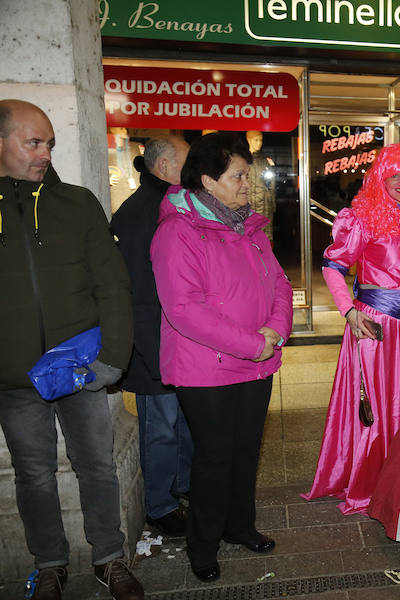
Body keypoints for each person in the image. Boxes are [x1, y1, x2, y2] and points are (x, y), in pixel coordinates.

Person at [0, 99, 143, 600]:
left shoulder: (77, 203)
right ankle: (51, 565)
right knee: (34, 475)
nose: (44, 153)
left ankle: (109, 559)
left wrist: (113, 359)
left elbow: (113, 285)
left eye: (50, 144)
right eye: (33, 142)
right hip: (14, 380)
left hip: (80, 369)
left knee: (98, 466)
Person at [150, 133, 293, 583]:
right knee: (214, 456)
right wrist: (253, 343)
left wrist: (274, 329)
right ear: (209, 180)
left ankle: (239, 526)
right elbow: (184, 310)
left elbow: (282, 286)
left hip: (257, 361)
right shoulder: (177, 231)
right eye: (239, 175)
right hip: (206, 368)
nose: (247, 183)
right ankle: (203, 544)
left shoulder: (249, 227)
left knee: (247, 450)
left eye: (247, 175)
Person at [303, 144, 400, 515]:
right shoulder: (360, 218)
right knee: (374, 410)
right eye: (393, 174)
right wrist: (347, 311)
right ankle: (369, 483)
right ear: (380, 178)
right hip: (374, 329)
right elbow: (332, 267)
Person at [111, 136, 193, 537]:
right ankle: (159, 506)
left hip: (176, 342)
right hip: (154, 346)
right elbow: (138, 295)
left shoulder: (171, 205)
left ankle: (180, 490)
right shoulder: (141, 214)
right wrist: (156, 354)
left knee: (181, 425)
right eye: (187, 163)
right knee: (160, 428)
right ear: (163, 167)